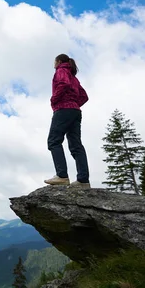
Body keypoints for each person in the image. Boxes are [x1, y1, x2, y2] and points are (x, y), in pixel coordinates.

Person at [44, 54, 91, 188]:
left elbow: (63, 83)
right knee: (76, 145)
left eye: (54, 61)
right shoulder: (74, 77)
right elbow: (84, 96)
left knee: (54, 141)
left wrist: (54, 99)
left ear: (58, 61)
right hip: (75, 112)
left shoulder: (61, 70)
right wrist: (75, 104)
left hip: (63, 109)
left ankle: (62, 176)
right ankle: (83, 180)